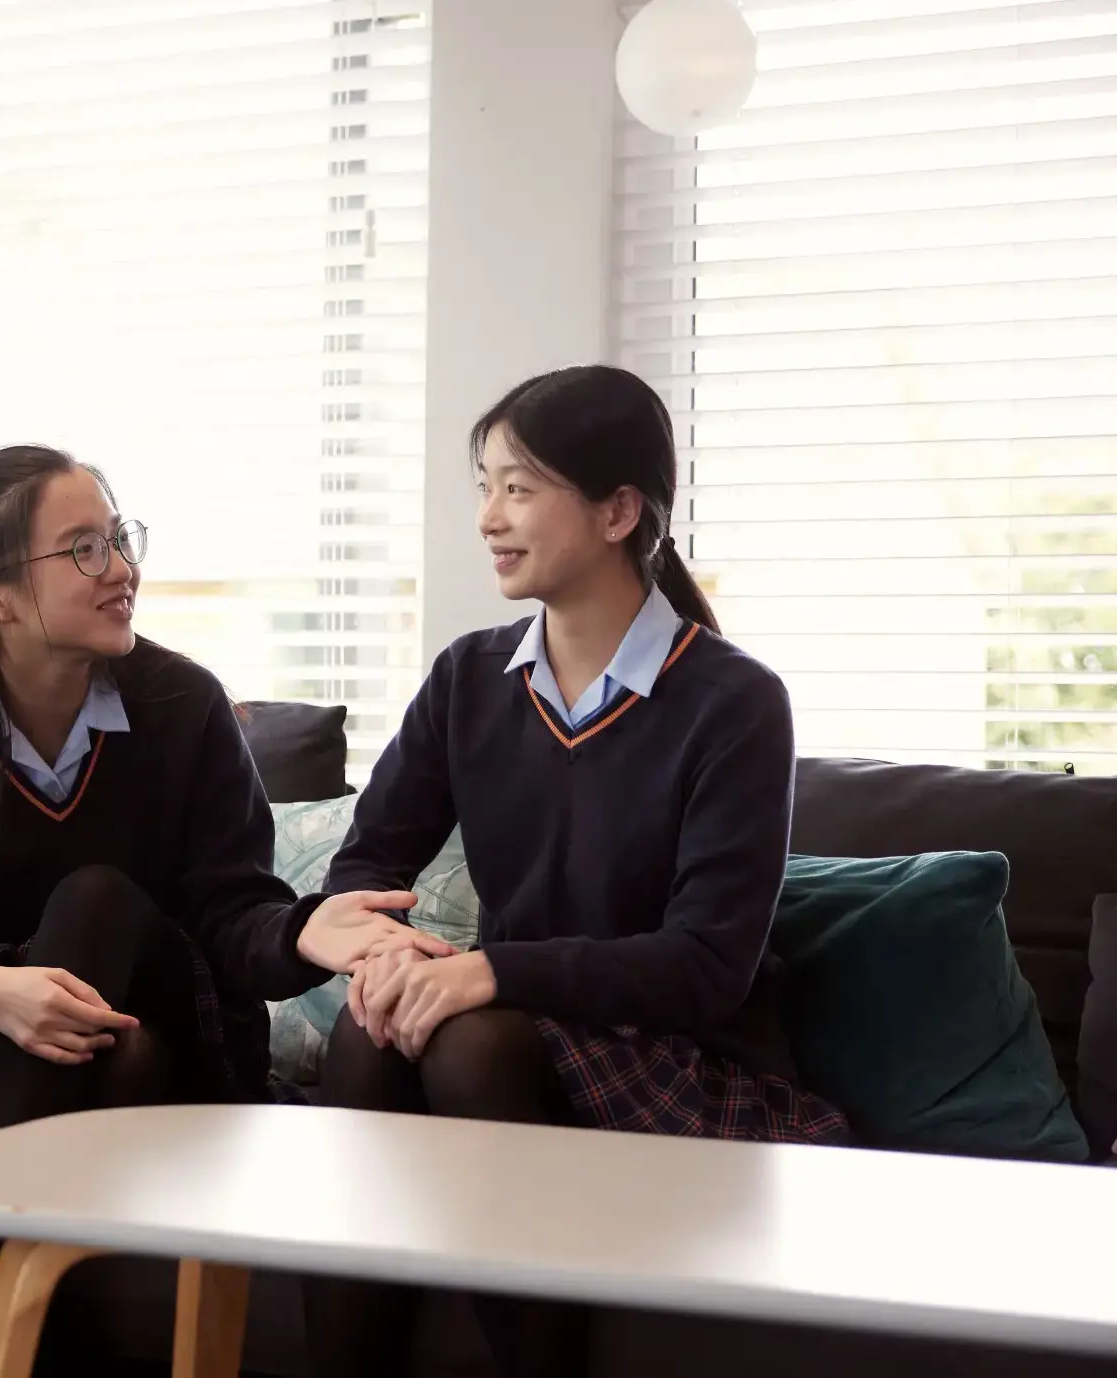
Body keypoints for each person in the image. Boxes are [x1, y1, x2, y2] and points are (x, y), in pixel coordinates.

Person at [300, 366, 850, 1378]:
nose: (487, 518)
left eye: (518, 487)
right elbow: (368, 864)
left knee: (468, 1040)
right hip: (514, 1051)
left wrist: (488, 971)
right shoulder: (468, 678)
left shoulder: (732, 703)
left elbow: (703, 968)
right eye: (483, 485)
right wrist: (387, 954)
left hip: (686, 1065)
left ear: (617, 510)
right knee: (377, 1026)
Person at [0, 444, 451, 1341]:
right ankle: (13, 1282)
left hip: (182, 1033)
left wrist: (304, 933)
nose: (121, 570)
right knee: (95, 1045)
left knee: (96, 900)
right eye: (83, 549)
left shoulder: (182, 705)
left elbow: (230, 910)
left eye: (118, 539)